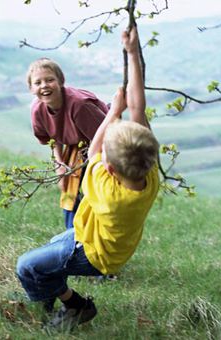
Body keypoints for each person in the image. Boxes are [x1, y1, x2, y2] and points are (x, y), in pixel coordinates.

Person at [16, 26, 160, 329]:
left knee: (27, 267)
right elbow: (138, 106)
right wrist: (132, 52)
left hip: (94, 252)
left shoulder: (107, 192)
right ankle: (52, 290)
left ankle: (76, 306)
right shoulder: (148, 175)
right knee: (53, 245)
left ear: (109, 169)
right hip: (106, 242)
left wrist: (111, 114)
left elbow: (94, 147)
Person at [27, 57, 108, 229]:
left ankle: (93, 239)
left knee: (91, 193)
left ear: (61, 81)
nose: (44, 86)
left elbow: (104, 137)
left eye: (50, 80)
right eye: (38, 82)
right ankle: (73, 235)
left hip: (101, 144)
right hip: (76, 146)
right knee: (68, 192)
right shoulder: (37, 110)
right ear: (31, 89)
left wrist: (90, 170)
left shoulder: (79, 105)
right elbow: (52, 137)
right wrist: (60, 164)